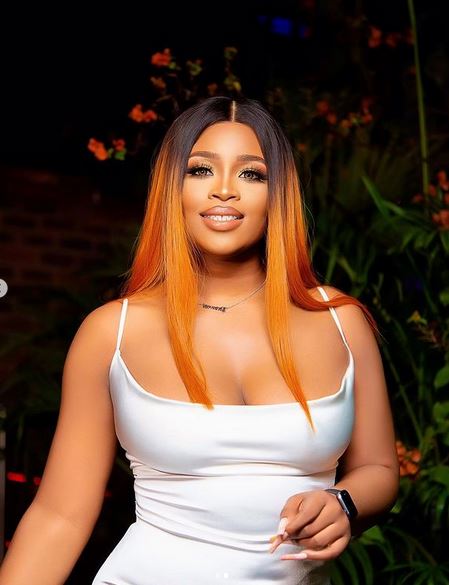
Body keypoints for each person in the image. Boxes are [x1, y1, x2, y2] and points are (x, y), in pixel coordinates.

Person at [0, 96, 399, 584]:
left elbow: (379, 468)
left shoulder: (340, 321)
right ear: (173, 189)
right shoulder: (111, 333)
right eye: (200, 170)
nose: (225, 189)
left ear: (278, 193)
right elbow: (59, 515)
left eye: (251, 174)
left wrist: (343, 502)